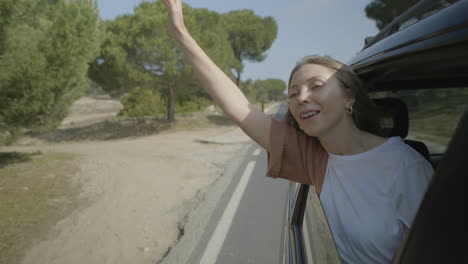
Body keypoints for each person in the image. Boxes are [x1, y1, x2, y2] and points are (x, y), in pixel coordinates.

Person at [161, 0, 434, 263]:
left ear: (348, 97)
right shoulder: (315, 158)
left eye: (316, 86)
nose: (301, 97)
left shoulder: (405, 167)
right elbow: (237, 106)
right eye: (293, 93)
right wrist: (180, 33)